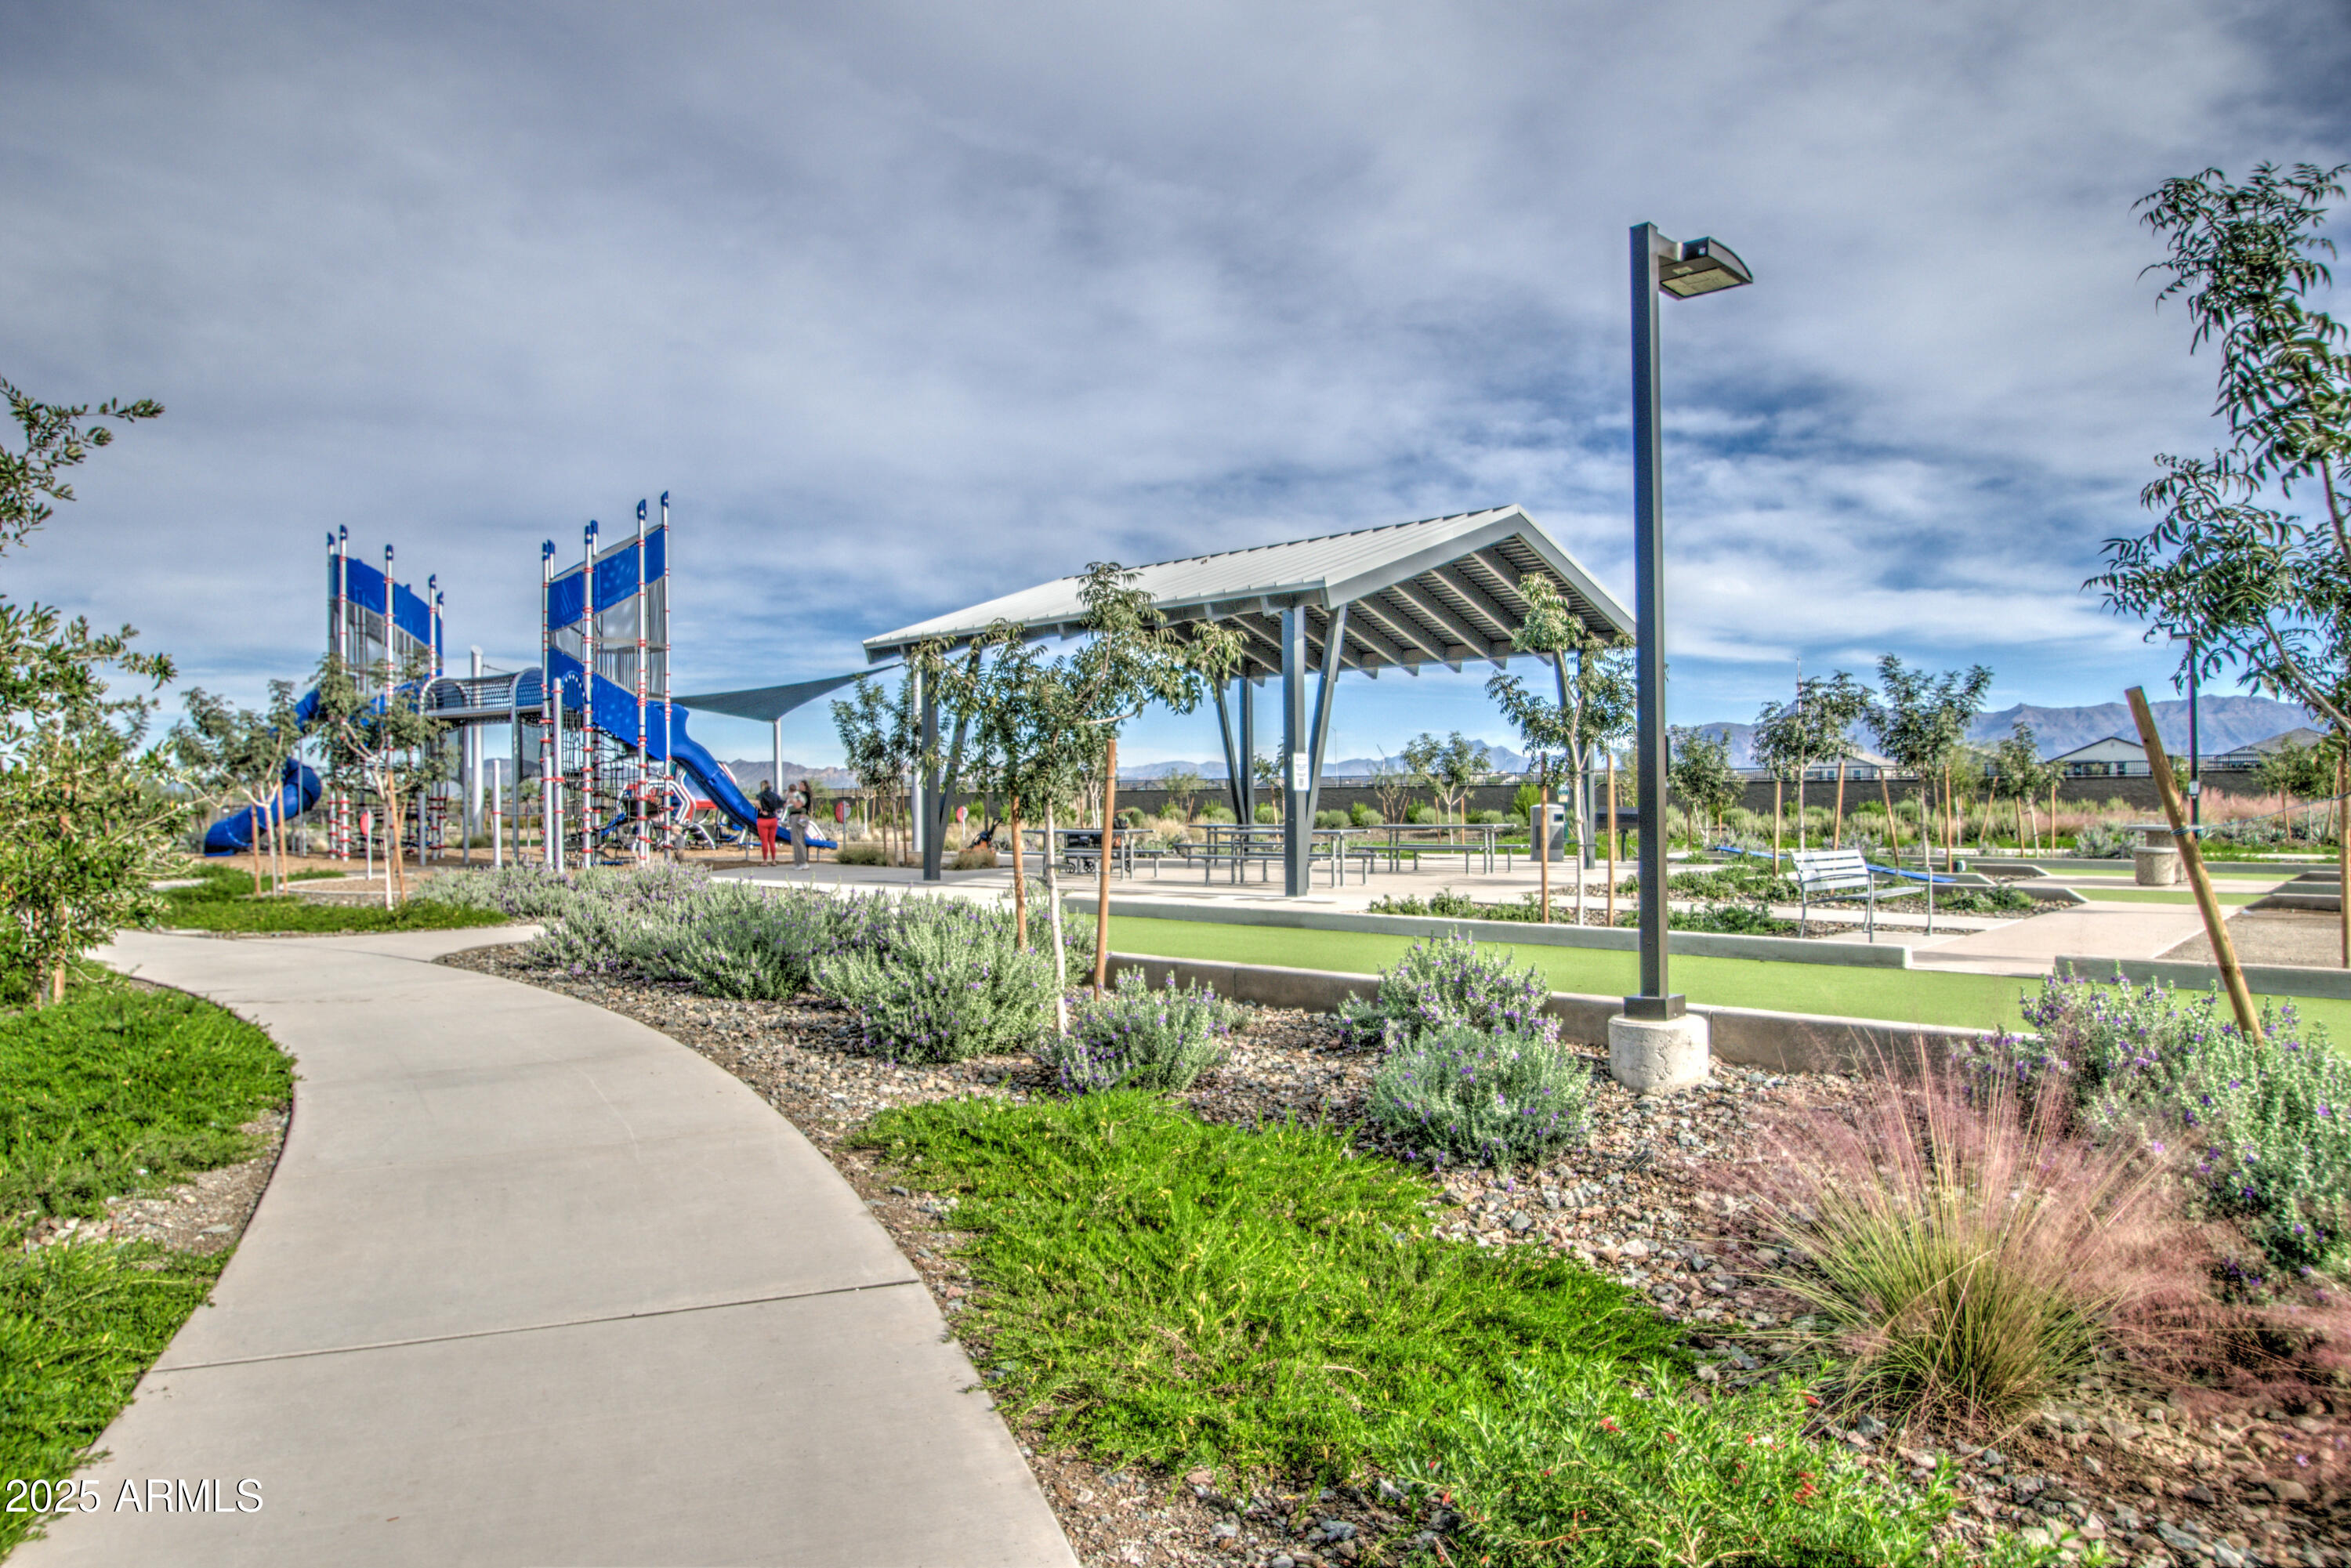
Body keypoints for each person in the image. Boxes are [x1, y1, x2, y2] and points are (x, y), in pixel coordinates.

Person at [754, 779, 784, 864]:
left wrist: (762, 809)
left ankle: (765, 861)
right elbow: (781, 804)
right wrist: (773, 810)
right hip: (773, 819)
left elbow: (756, 802)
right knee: (772, 841)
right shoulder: (774, 795)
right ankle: (774, 860)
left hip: (763, 820)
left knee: (764, 841)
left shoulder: (761, 795)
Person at [787, 779, 814, 867]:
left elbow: (799, 805)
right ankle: (798, 862)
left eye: (801, 785)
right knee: (798, 839)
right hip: (796, 816)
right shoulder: (800, 795)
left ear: (805, 786)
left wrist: (792, 799)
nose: (799, 787)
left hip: (798, 817)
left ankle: (802, 862)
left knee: (797, 840)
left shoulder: (804, 795)